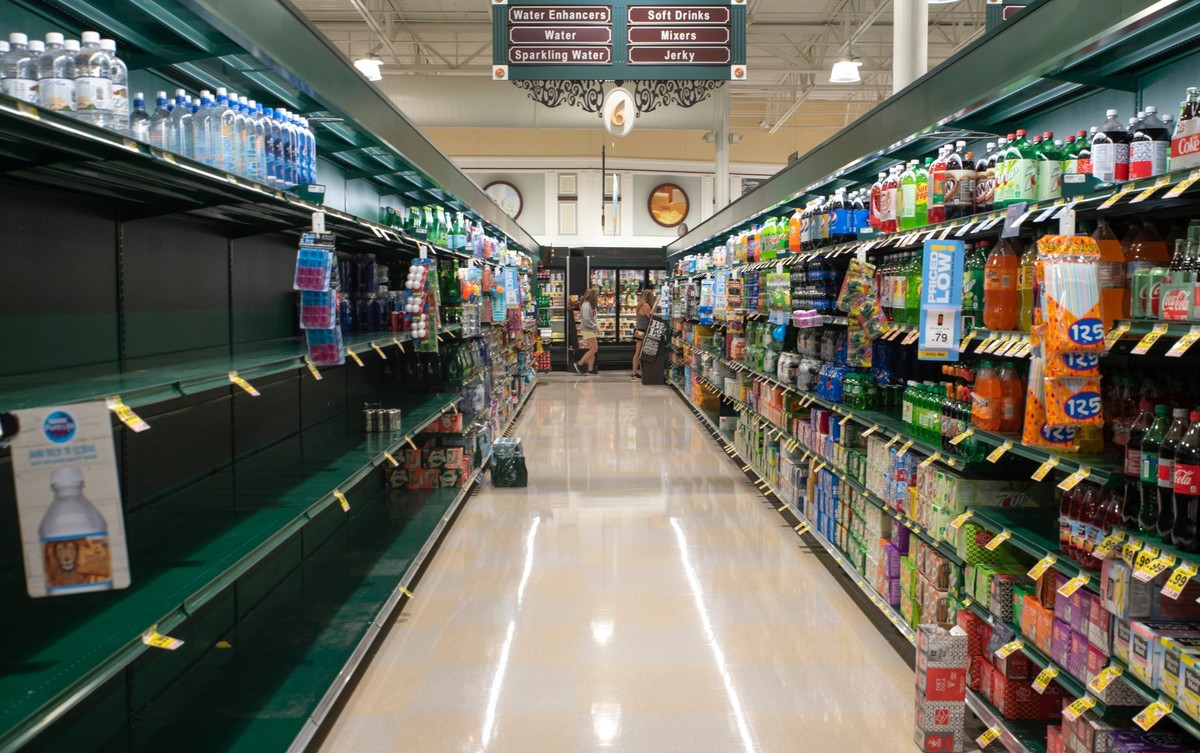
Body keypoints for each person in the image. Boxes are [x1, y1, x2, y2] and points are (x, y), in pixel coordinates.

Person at [631, 289, 657, 380]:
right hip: (642, 330)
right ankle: (634, 373)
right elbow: (651, 317)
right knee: (639, 353)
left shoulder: (640, 305)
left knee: (638, 352)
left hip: (638, 329)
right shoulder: (646, 305)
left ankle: (635, 373)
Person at [575, 287, 600, 375]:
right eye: (596, 294)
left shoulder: (589, 305)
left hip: (590, 329)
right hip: (588, 329)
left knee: (592, 349)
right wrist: (595, 327)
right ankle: (580, 363)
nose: (598, 296)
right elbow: (586, 319)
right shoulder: (586, 305)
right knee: (594, 348)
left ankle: (590, 369)